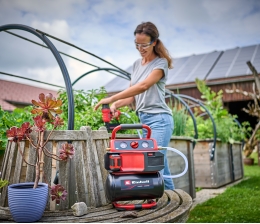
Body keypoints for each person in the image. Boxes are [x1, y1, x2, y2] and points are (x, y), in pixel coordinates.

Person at [94, 21, 174, 190]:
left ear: (154, 43)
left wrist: (110, 98)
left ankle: (166, 200)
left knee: (153, 161)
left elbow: (143, 86)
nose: (140, 48)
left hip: (160, 120)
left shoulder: (160, 64)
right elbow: (132, 94)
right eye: (137, 44)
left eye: (144, 44)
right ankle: (171, 199)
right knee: (160, 163)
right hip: (144, 120)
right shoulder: (137, 64)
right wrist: (116, 104)